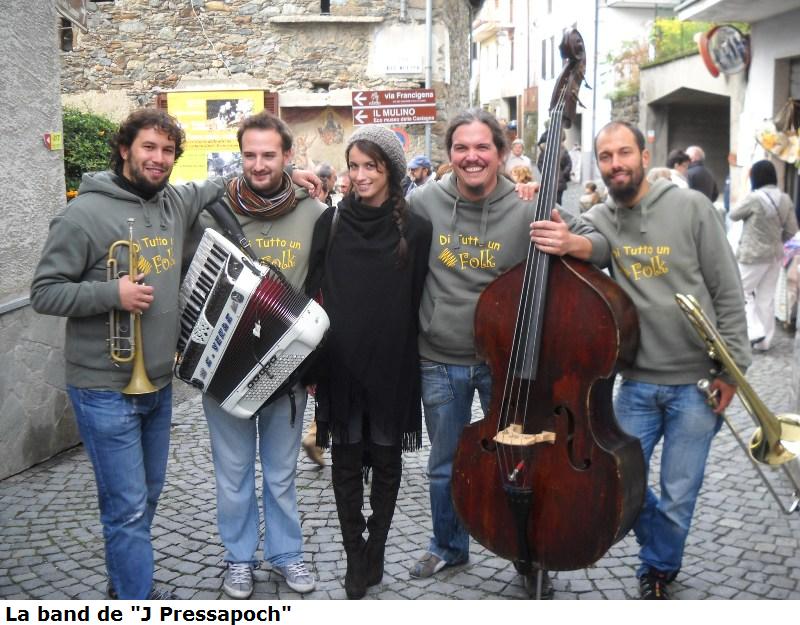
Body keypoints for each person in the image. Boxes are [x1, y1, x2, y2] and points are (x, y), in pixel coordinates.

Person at [531, 120, 750, 600]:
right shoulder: (601, 216)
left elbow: (728, 293)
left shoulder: (692, 208)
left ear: (644, 156)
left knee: (679, 493)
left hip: (697, 385)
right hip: (635, 385)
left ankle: (658, 568)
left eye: (624, 153)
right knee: (615, 483)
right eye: (606, 156)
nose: (616, 164)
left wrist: (733, 371)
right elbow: (589, 243)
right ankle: (662, 550)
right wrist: (536, 200)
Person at [29, 108, 228, 600]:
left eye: (168, 151)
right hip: (104, 389)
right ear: (124, 149)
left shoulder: (173, 202)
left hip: (158, 384)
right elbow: (44, 292)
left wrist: (293, 175)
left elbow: (222, 184)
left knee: (146, 497)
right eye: (148, 147)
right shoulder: (82, 214)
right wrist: (110, 294)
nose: (159, 158)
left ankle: (123, 589)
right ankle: (136, 599)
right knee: (128, 507)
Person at [405, 109, 552, 591]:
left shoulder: (526, 207)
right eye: (461, 148)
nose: (472, 156)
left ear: (501, 153)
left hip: (505, 363)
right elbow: (370, 216)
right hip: (440, 356)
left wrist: (548, 203)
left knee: (518, 463)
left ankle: (527, 556)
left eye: (482, 147)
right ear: (449, 154)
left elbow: (588, 239)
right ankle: (448, 546)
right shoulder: (424, 201)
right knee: (444, 464)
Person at [190, 111, 325, 599]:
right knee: (232, 476)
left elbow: (323, 287)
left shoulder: (315, 213)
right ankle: (239, 559)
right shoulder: (214, 210)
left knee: (282, 474)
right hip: (225, 367)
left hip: (287, 368)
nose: (259, 164)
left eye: (270, 155)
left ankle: (287, 554)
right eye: (250, 155)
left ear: (288, 155)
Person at [304, 125, 432, 599]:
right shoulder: (331, 223)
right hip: (341, 363)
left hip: (391, 363)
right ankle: (354, 555)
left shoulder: (415, 229)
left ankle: (375, 545)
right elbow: (313, 293)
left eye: (370, 167)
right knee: (345, 462)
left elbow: (417, 296)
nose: (359, 176)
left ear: (390, 171)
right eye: (353, 166)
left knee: (385, 458)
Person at [730, 159, 798, 351]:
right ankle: (764, 342)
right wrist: (777, 240)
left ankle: (754, 331)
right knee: (766, 298)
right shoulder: (785, 199)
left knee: (740, 291)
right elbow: (792, 230)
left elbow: (734, 214)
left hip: (752, 254)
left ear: (756, 177)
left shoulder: (754, 198)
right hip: (775, 255)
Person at [537, 129, 571, 204]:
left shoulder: (563, 150)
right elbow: (540, 163)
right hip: (548, 179)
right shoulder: (545, 151)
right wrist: (544, 172)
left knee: (558, 201)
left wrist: (564, 173)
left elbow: (569, 164)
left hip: (560, 180)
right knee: (547, 200)